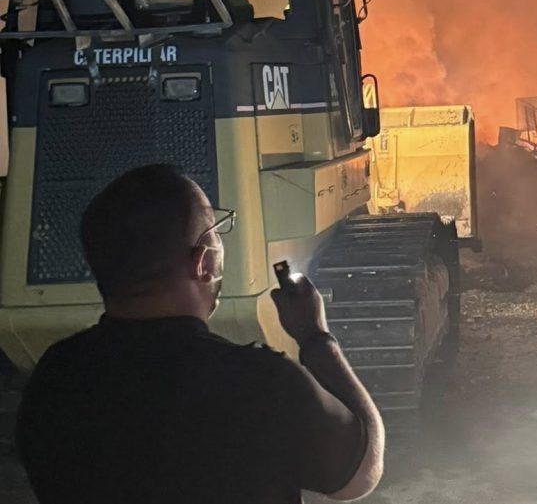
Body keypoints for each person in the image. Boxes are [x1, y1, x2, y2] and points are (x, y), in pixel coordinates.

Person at [15, 164, 384, 504]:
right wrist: (316, 337)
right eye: (214, 231)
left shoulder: (54, 378)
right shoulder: (260, 382)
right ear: (203, 263)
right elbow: (360, 474)